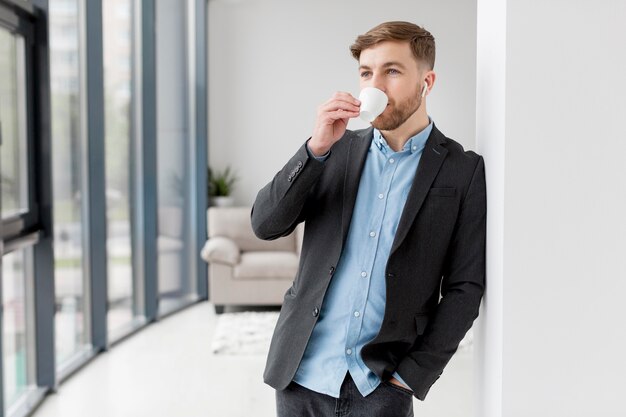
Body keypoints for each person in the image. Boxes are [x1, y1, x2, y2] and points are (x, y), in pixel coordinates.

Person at [251, 21, 486, 417]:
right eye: (366, 72)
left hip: (382, 385)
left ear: (427, 81)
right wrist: (315, 148)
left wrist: (411, 377)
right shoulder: (332, 150)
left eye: (391, 71)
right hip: (301, 379)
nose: (374, 85)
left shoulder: (462, 170)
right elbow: (265, 224)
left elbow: (465, 288)